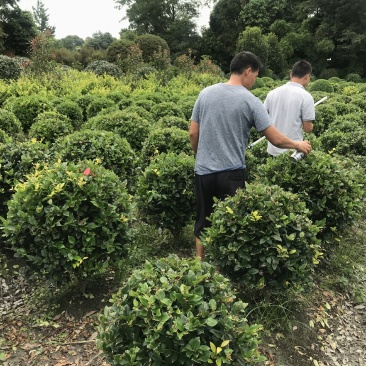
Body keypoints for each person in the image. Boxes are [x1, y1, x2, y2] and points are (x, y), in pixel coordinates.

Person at [189, 51, 312, 260]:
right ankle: (222, 266)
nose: (255, 81)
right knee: (230, 221)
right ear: (247, 71)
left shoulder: (205, 93)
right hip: (232, 174)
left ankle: (199, 264)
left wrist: (201, 156)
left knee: (203, 220)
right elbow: (275, 139)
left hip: (204, 171)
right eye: (255, 75)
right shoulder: (251, 100)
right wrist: (297, 144)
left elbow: (193, 133)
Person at [264, 60, 315, 157]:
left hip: (272, 150)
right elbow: (307, 128)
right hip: (292, 152)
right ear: (308, 76)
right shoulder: (306, 97)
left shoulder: (272, 93)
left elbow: (264, 120)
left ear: (291, 75)